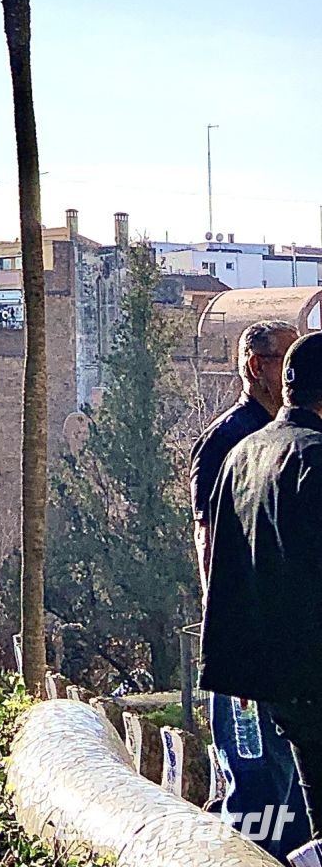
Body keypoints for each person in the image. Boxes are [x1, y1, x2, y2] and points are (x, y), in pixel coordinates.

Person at [202, 330, 322, 867]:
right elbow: (211, 549)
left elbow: (223, 562)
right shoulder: (309, 458)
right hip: (305, 669)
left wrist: (230, 661)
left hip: (264, 671)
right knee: (262, 803)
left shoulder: (246, 452)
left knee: (288, 808)